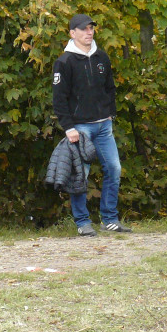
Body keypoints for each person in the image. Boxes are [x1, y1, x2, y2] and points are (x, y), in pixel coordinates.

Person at [52, 13, 131, 236]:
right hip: (80, 128)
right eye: (84, 29)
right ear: (72, 33)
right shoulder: (64, 62)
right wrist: (69, 127)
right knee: (80, 176)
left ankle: (110, 219)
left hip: (104, 126)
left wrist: (110, 114)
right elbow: (59, 99)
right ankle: (82, 222)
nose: (89, 32)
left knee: (114, 169)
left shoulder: (101, 57)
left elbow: (110, 88)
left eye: (91, 28)